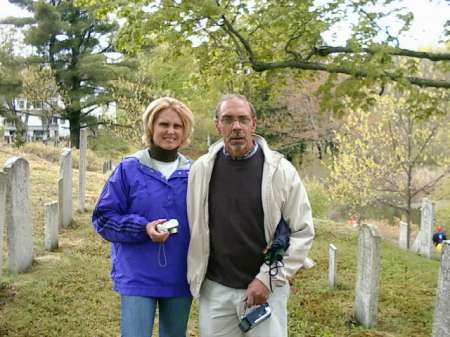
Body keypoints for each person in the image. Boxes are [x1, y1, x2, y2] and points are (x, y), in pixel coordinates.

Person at [186, 94, 315, 337]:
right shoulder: (201, 170)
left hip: (265, 290)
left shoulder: (280, 171)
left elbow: (302, 231)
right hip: (216, 290)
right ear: (218, 125)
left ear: (253, 124)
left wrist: (267, 279)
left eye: (243, 119)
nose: (236, 126)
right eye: (228, 119)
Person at [92, 97, 194, 337]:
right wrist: (143, 228)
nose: (170, 131)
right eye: (164, 124)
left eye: (177, 126)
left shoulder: (195, 172)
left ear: (185, 131)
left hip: (181, 274)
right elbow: (103, 218)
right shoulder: (129, 169)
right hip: (137, 274)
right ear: (151, 127)